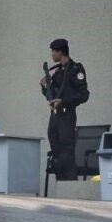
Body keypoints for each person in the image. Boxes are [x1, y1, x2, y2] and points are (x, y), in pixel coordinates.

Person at [40, 38, 89, 180]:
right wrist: (45, 87)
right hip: (55, 117)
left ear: (60, 52)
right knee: (57, 155)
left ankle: (70, 187)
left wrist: (65, 102)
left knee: (67, 154)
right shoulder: (58, 72)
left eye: (53, 51)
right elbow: (52, 96)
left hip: (67, 116)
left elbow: (83, 94)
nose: (52, 55)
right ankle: (61, 184)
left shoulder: (75, 69)